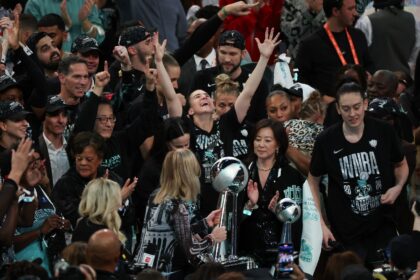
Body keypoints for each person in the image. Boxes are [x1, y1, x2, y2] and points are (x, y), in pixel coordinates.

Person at [308, 82, 409, 264]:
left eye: (356, 107)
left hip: (382, 224)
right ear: (338, 109)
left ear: (365, 104)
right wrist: (320, 224)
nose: (352, 114)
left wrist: (398, 187)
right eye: (346, 109)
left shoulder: (384, 131)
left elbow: (401, 164)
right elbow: (313, 180)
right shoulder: (326, 140)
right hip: (345, 231)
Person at [184, 28, 280, 216]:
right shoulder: (189, 127)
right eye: (223, 52)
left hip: (228, 182)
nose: (227, 58)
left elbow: (248, 93)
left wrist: (263, 59)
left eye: (233, 53)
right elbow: (172, 100)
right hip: (196, 190)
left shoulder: (227, 123)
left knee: (233, 223)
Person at [134, 149, 227, 279]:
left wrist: (204, 223)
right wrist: (213, 238)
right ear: (189, 175)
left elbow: (173, 232)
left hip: (144, 269)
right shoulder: (176, 206)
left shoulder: (156, 195)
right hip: (164, 273)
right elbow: (190, 250)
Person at [239, 119, 305, 266]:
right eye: (258, 139)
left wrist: (278, 212)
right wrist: (249, 206)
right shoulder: (242, 172)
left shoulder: (290, 175)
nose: (261, 144)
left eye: (267, 140)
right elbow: (234, 221)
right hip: (247, 253)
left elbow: (295, 224)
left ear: (278, 144)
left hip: (283, 251)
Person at [295, 0, 373, 102]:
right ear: (335, 11)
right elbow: (299, 80)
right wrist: (322, 98)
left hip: (359, 104)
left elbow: (369, 64)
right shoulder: (310, 44)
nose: (355, 13)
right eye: (350, 9)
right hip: (329, 110)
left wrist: (369, 75)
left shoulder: (358, 36)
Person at [355, 0, 419, 75]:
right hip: (404, 81)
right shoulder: (413, 20)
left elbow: (358, 54)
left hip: (375, 81)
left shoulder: (366, 21)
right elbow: (415, 54)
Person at [73, 178, 126, 243]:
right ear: (108, 202)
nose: (120, 203)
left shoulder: (86, 224)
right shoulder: (98, 233)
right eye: (117, 197)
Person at [37, 95, 70, 187]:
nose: (61, 120)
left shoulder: (72, 145)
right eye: (55, 115)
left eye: (64, 115)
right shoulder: (36, 149)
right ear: (44, 118)